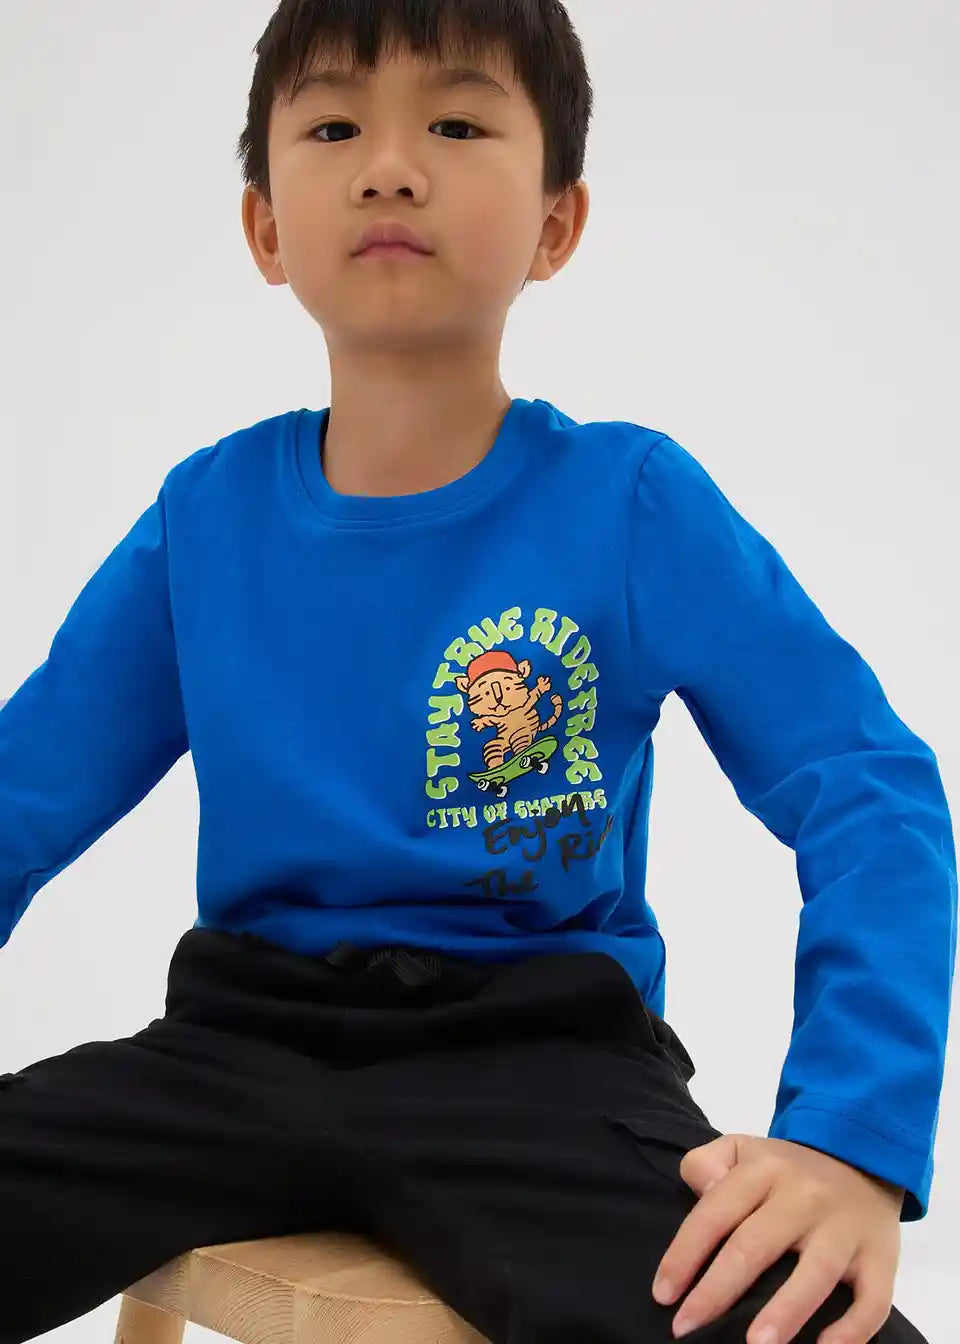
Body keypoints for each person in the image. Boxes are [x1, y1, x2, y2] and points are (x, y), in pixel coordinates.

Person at [0, 2, 953, 1341]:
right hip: (238, 1047)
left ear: (558, 221)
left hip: (542, 1065)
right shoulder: (203, 521)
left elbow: (867, 788)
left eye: (455, 123)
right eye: (335, 127)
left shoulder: (631, 503)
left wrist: (849, 1136)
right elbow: (21, 794)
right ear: (265, 226)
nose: (391, 168)